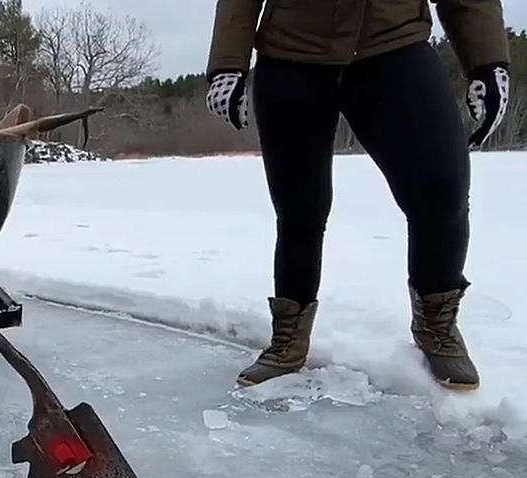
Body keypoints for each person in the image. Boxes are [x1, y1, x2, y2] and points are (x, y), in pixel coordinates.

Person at [205, 0, 510, 390]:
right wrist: (227, 64)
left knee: (441, 188)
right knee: (300, 208)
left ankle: (437, 324)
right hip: (292, 53)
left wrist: (487, 60)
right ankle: (289, 336)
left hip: (393, 44)